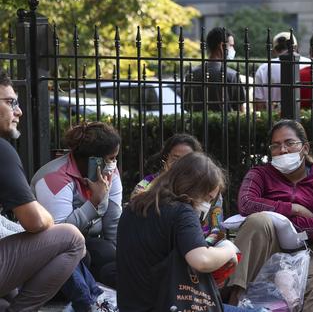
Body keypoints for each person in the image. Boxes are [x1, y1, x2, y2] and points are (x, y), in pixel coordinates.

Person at [226, 119, 313, 312]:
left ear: (305, 148)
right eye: (276, 145)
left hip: (312, 250)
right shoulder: (259, 174)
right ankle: (234, 298)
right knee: (258, 220)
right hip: (267, 247)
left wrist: (286, 225)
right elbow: (246, 204)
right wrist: (293, 208)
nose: (283, 150)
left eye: (289, 143)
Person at [0, 70, 86, 311]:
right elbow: (36, 222)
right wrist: (49, 218)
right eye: (10, 102)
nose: (19, 111)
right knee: (72, 238)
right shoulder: (2, 150)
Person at [116, 152, 241, 310]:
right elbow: (201, 260)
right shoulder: (182, 211)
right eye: (208, 198)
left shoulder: (132, 209)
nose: (207, 205)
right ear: (194, 187)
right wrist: (228, 249)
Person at [32, 122, 122, 288]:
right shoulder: (54, 177)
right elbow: (59, 236)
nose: (114, 164)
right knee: (83, 257)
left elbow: (113, 223)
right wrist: (94, 202)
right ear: (94, 160)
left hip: (87, 242)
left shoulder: (109, 173)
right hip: (49, 251)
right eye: (111, 158)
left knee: (108, 253)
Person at [132, 133, 225, 241]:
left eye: (187, 160)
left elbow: (218, 229)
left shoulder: (210, 188)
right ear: (165, 159)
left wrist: (206, 246)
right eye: (175, 159)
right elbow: (135, 215)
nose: (181, 165)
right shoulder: (147, 184)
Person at [186, 27, 244, 112]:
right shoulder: (232, 75)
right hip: (225, 124)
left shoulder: (191, 74)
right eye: (231, 45)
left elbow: (187, 106)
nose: (233, 50)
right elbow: (240, 110)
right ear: (221, 46)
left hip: (197, 124)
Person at [253, 32, 311, 111]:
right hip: (302, 116)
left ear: (274, 50)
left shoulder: (264, 68)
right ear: (296, 47)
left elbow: (259, 103)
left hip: (273, 117)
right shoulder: (308, 64)